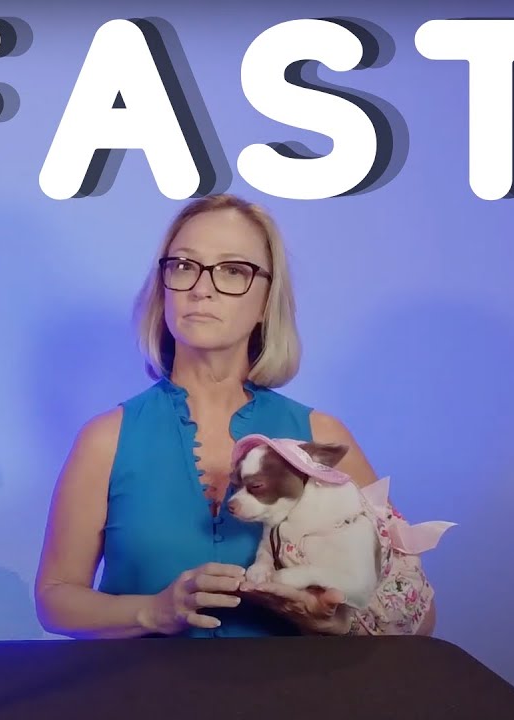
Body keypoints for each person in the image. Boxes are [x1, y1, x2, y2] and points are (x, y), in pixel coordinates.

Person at [33, 194, 438, 639]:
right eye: (183, 265)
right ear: (163, 288)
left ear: (267, 300)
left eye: (232, 270)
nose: (200, 288)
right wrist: (152, 611)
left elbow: (417, 618)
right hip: (140, 683)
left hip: (294, 684)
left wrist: (332, 622)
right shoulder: (106, 439)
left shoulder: (320, 436)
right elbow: (55, 599)